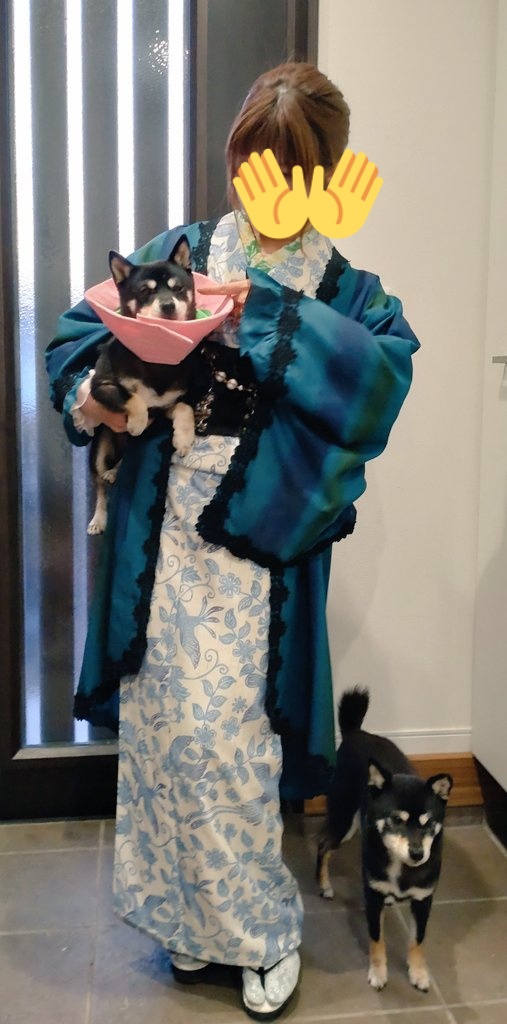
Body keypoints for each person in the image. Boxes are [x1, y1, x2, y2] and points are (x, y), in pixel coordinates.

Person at [46, 62, 419, 1020]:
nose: (266, 189)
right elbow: (79, 332)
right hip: (161, 543)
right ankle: (184, 922)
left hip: (259, 562)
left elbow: (377, 385)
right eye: (252, 163)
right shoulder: (184, 250)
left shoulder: (346, 288)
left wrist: (268, 311)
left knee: (233, 750)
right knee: (165, 737)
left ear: (322, 174)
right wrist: (95, 396)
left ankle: (259, 935)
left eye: (289, 169)